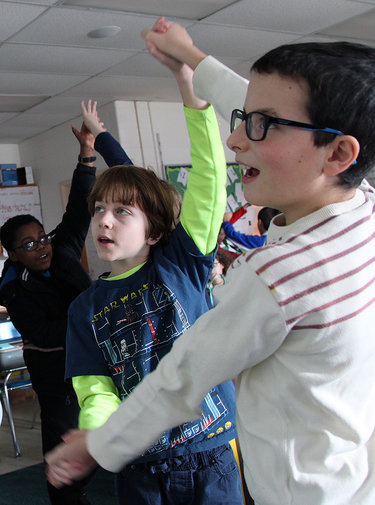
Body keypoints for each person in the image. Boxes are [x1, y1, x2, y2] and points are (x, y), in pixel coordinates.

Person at [46, 18, 375, 505]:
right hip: (341, 478)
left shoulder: (270, 276)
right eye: (99, 211)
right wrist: (193, 62)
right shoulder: (362, 206)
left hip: (285, 485)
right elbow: (97, 389)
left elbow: (185, 376)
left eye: (260, 125)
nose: (236, 139)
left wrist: (100, 444)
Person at [48, 55, 242, 505]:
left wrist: (189, 86)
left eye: (122, 212)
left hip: (210, 454)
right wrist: (96, 438)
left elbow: (210, 176)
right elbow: (96, 389)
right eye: (98, 210)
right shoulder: (85, 309)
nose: (105, 222)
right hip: (139, 468)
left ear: (153, 231)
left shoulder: (181, 264)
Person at [0, 115, 98, 505]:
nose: (40, 247)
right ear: (11, 253)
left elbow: (79, 208)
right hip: (54, 370)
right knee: (61, 444)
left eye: (41, 237)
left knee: (105, 431)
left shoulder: (61, 250)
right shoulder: (13, 288)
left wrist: (87, 155)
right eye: (28, 244)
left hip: (91, 359)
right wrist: (93, 319)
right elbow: (42, 334)